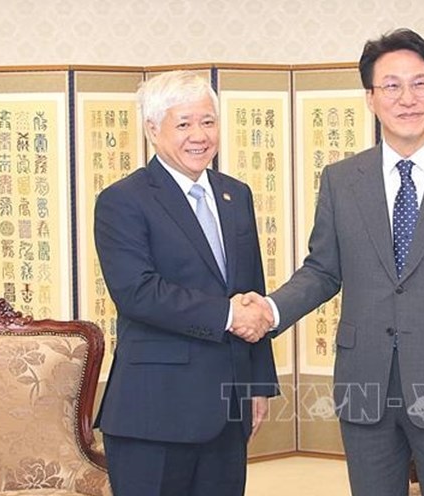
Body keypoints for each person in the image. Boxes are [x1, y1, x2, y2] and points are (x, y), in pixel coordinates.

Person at [241, 28, 424, 496]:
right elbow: (322, 270)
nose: (407, 98)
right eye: (391, 86)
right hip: (365, 384)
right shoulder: (342, 180)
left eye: (420, 84)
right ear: (370, 97)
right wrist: (270, 309)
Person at [93, 70, 278, 496]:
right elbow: (138, 292)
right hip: (154, 413)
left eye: (208, 121)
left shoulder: (236, 195)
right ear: (152, 129)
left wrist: (258, 385)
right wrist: (229, 315)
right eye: (184, 124)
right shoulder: (124, 200)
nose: (200, 136)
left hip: (228, 407)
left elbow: (252, 289)